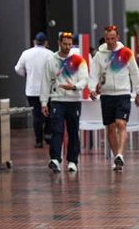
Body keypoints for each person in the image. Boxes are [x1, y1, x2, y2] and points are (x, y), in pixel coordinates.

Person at [89, 25, 139, 171]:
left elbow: (134, 73)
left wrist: (138, 91)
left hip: (123, 93)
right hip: (106, 94)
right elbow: (94, 73)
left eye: (113, 38)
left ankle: (120, 154)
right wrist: (92, 89)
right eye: (107, 39)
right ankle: (116, 157)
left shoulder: (126, 52)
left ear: (117, 37)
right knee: (110, 127)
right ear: (104, 38)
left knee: (121, 123)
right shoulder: (99, 55)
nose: (110, 41)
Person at [40, 31, 89, 173]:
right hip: (57, 100)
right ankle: (55, 159)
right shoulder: (51, 60)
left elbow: (84, 79)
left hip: (73, 100)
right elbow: (45, 82)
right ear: (59, 43)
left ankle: (73, 161)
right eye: (65, 44)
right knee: (57, 129)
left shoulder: (79, 60)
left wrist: (75, 87)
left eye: (69, 44)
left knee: (73, 130)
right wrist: (44, 102)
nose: (67, 47)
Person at [14, 31, 53, 148]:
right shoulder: (50, 54)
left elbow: (18, 69)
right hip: (47, 90)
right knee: (49, 113)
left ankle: (38, 140)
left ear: (34, 42)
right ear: (46, 42)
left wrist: (26, 74)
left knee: (36, 115)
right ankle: (48, 134)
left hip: (32, 90)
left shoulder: (26, 53)